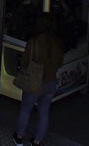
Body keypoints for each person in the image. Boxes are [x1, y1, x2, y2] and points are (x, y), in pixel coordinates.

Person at [13, 13, 65, 146]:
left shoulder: (33, 43)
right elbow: (60, 63)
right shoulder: (57, 44)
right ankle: (37, 141)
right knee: (44, 112)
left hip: (34, 82)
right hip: (50, 82)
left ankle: (19, 137)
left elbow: (24, 62)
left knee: (25, 109)